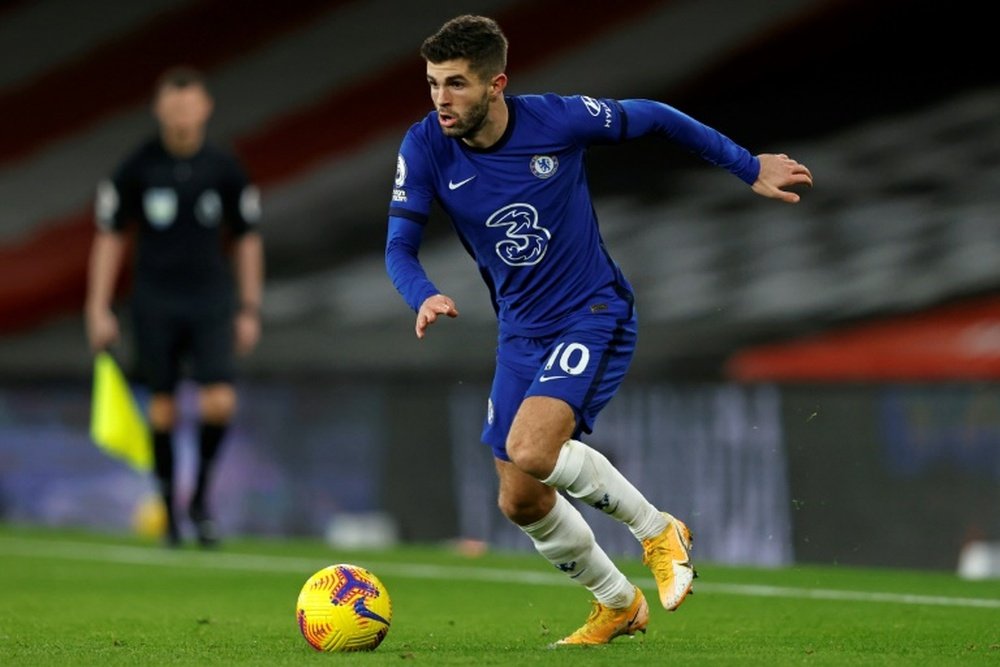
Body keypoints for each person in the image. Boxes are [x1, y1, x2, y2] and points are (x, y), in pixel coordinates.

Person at [385, 15, 812, 645]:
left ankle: (657, 530)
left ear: (496, 84)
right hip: (521, 334)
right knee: (520, 500)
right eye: (432, 84)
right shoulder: (424, 146)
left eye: (455, 85)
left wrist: (747, 166)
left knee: (533, 448)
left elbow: (659, 116)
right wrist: (423, 295)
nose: (440, 100)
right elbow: (399, 246)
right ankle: (617, 603)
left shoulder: (557, 119)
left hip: (593, 311)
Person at [85, 66, 264, 548]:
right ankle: (169, 511)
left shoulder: (224, 168)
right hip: (155, 302)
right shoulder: (138, 167)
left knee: (218, 400)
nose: (182, 113)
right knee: (162, 410)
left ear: (205, 108)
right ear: (159, 109)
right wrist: (97, 306)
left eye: (191, 103)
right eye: (173, 104)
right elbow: (110, 235)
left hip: (210, 299)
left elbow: (247, 239)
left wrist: (249, 307)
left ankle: (200, 499)